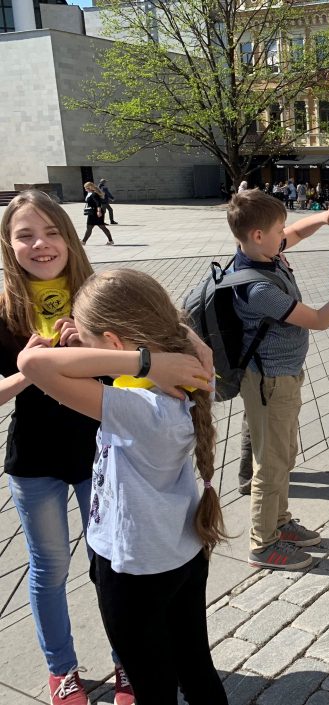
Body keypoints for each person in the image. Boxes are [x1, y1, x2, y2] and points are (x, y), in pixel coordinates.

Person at [18, 269, 227, 703]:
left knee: (153, 686)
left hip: (133, 570)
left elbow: (32, 364)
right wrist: (113, 347)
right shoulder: (177, 381)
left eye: (97, 346)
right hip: (183, 551)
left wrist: (140, 359)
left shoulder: (139, 403)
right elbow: (139, 347)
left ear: (117, 347)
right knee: (195, 665)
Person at [0, 191, 135, 704]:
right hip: (33, 460)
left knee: (110, 564)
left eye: (51, 231)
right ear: (9, 246)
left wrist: (93, 349)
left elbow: (132, 367)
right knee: (48, 568)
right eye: (25, 235)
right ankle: (62, 671)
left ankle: (128, 664)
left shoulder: (97, 295)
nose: (40, 244)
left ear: (69, 235)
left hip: (97, 450)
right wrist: (28, 370)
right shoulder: (5, 310)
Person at [228, 191, 329, 570]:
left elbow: (297, 232)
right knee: (271, 464)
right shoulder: (258, 287)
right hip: (270, 383)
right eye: (279, 230)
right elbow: (322, 319)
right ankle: (262, 545)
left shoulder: (263, 253)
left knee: (284, 455)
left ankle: (279, 522)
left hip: (283, 378)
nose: (285, 234)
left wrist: (324, 219)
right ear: (258, 235)